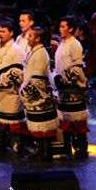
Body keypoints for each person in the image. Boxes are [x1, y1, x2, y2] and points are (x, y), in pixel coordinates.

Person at [0, 20, 26, 159]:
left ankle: (17, 146)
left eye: (4, 31)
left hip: (11, 92)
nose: (1, 34)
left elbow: (17, 73)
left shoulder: (16, 50)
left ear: (11, 33)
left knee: (14, 122)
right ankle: (0, 143)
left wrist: (1, 82)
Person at [20, 27, 58, 162]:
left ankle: (45, 154)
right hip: (34, 95)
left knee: (43, 127)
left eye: (30, 36)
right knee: (39, 126)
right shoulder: (34, 51)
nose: (27, 38)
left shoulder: (40, 53)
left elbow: (37, 78)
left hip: (39, 95)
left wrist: (25, 92)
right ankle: (41, 151)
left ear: (38, 39)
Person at [54, 15, 89, 159]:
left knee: (77, 121)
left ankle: (81, 148)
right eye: (60, 26)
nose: (60, 29)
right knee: (66, 121)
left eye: (63, 27)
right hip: (63, 90)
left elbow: (77, 67)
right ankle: (67, 147)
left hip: (73, 89)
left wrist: (65, 80)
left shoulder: (75, 44)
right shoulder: (62, 43)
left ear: (71, 29)